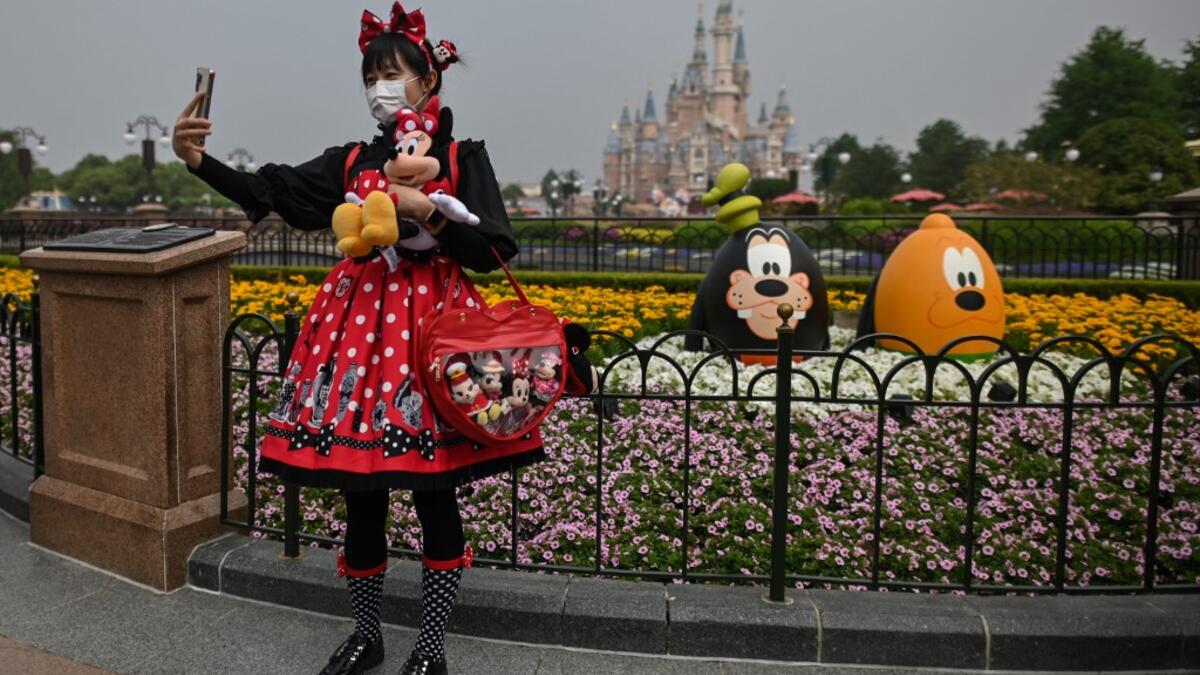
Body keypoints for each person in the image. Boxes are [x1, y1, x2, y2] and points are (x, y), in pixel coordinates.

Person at [173, 4, 543, 673]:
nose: (379, 87)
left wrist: (432, 215)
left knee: (435, 496)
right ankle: (367, 635)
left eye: (391, 73)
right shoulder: (352, 160)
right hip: (358, 344)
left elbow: (493, 249)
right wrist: (199, 161)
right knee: (361, 496)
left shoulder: (459, 157)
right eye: (370, 76)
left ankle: (430, 647)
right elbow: (272, 190)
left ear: (428, 79)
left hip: (433, 344)